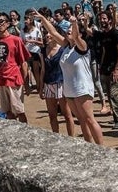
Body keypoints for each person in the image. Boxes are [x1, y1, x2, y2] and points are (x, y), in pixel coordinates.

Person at [40, 11, 103, 144]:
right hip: (69, 90)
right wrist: (43, 19)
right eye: (67, 31)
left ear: (79, 34)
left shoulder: (82, 46)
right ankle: (89, 146)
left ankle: (102, 148)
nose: (68, 32)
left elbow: (75, 35)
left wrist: (74, 23)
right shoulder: (66, 47)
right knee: (81, 120)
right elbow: (53, 32)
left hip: (82, 88)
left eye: (71, 31)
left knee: (89, 119)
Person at [0, 12, 30, 123]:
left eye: (2, 21)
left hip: (14, 79)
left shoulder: (16, 40)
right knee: (7, 112)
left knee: (19, 110)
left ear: (8, 23)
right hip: (1, 81)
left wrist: (26, 83)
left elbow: (23, 63)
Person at [39, 22, 75, 136]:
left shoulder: (62, 49)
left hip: (61, 83)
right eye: (46, 34)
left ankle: (71, 138)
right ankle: (56, 136)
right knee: (52, 114)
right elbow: (43, 70)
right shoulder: (43, 51)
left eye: (49, 34)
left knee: (67, 114)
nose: (47, 36)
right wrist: (41, 87)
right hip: (48, 83)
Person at [98, 10, 118, 130]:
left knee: (115, 94)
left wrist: (116, 69)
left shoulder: (115, 33)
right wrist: (101, 65)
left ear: (110, 20)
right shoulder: (103, 34)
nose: (102, 21)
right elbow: (104, 51)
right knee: (110, 94)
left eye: (104, 18)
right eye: (100, 19)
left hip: (115, 68)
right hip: (106, 67)